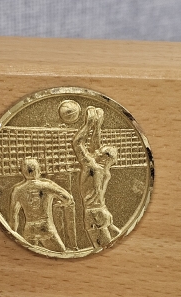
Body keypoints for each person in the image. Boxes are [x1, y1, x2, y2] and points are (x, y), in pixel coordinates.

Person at [72, 106, 120, 248]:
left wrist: (88, 124)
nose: (97, 151)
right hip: (102, 210)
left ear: (104, 157)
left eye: (100, 152)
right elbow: (95, 146)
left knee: (103, 250)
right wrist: (98, 126)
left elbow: (77, 143)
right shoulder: (104, 169)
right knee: (114, 245)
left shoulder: (92, 166)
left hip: (94, 214)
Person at [9, 157, 74, 252]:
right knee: (60, 253)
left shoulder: (18, 190)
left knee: (28, 255)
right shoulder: (46, 186)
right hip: (45, 228)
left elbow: (13, 217)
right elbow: (68, 198)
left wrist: (13, 235)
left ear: (23, 172)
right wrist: (61, 204)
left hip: (29, 229)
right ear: (38, 170)